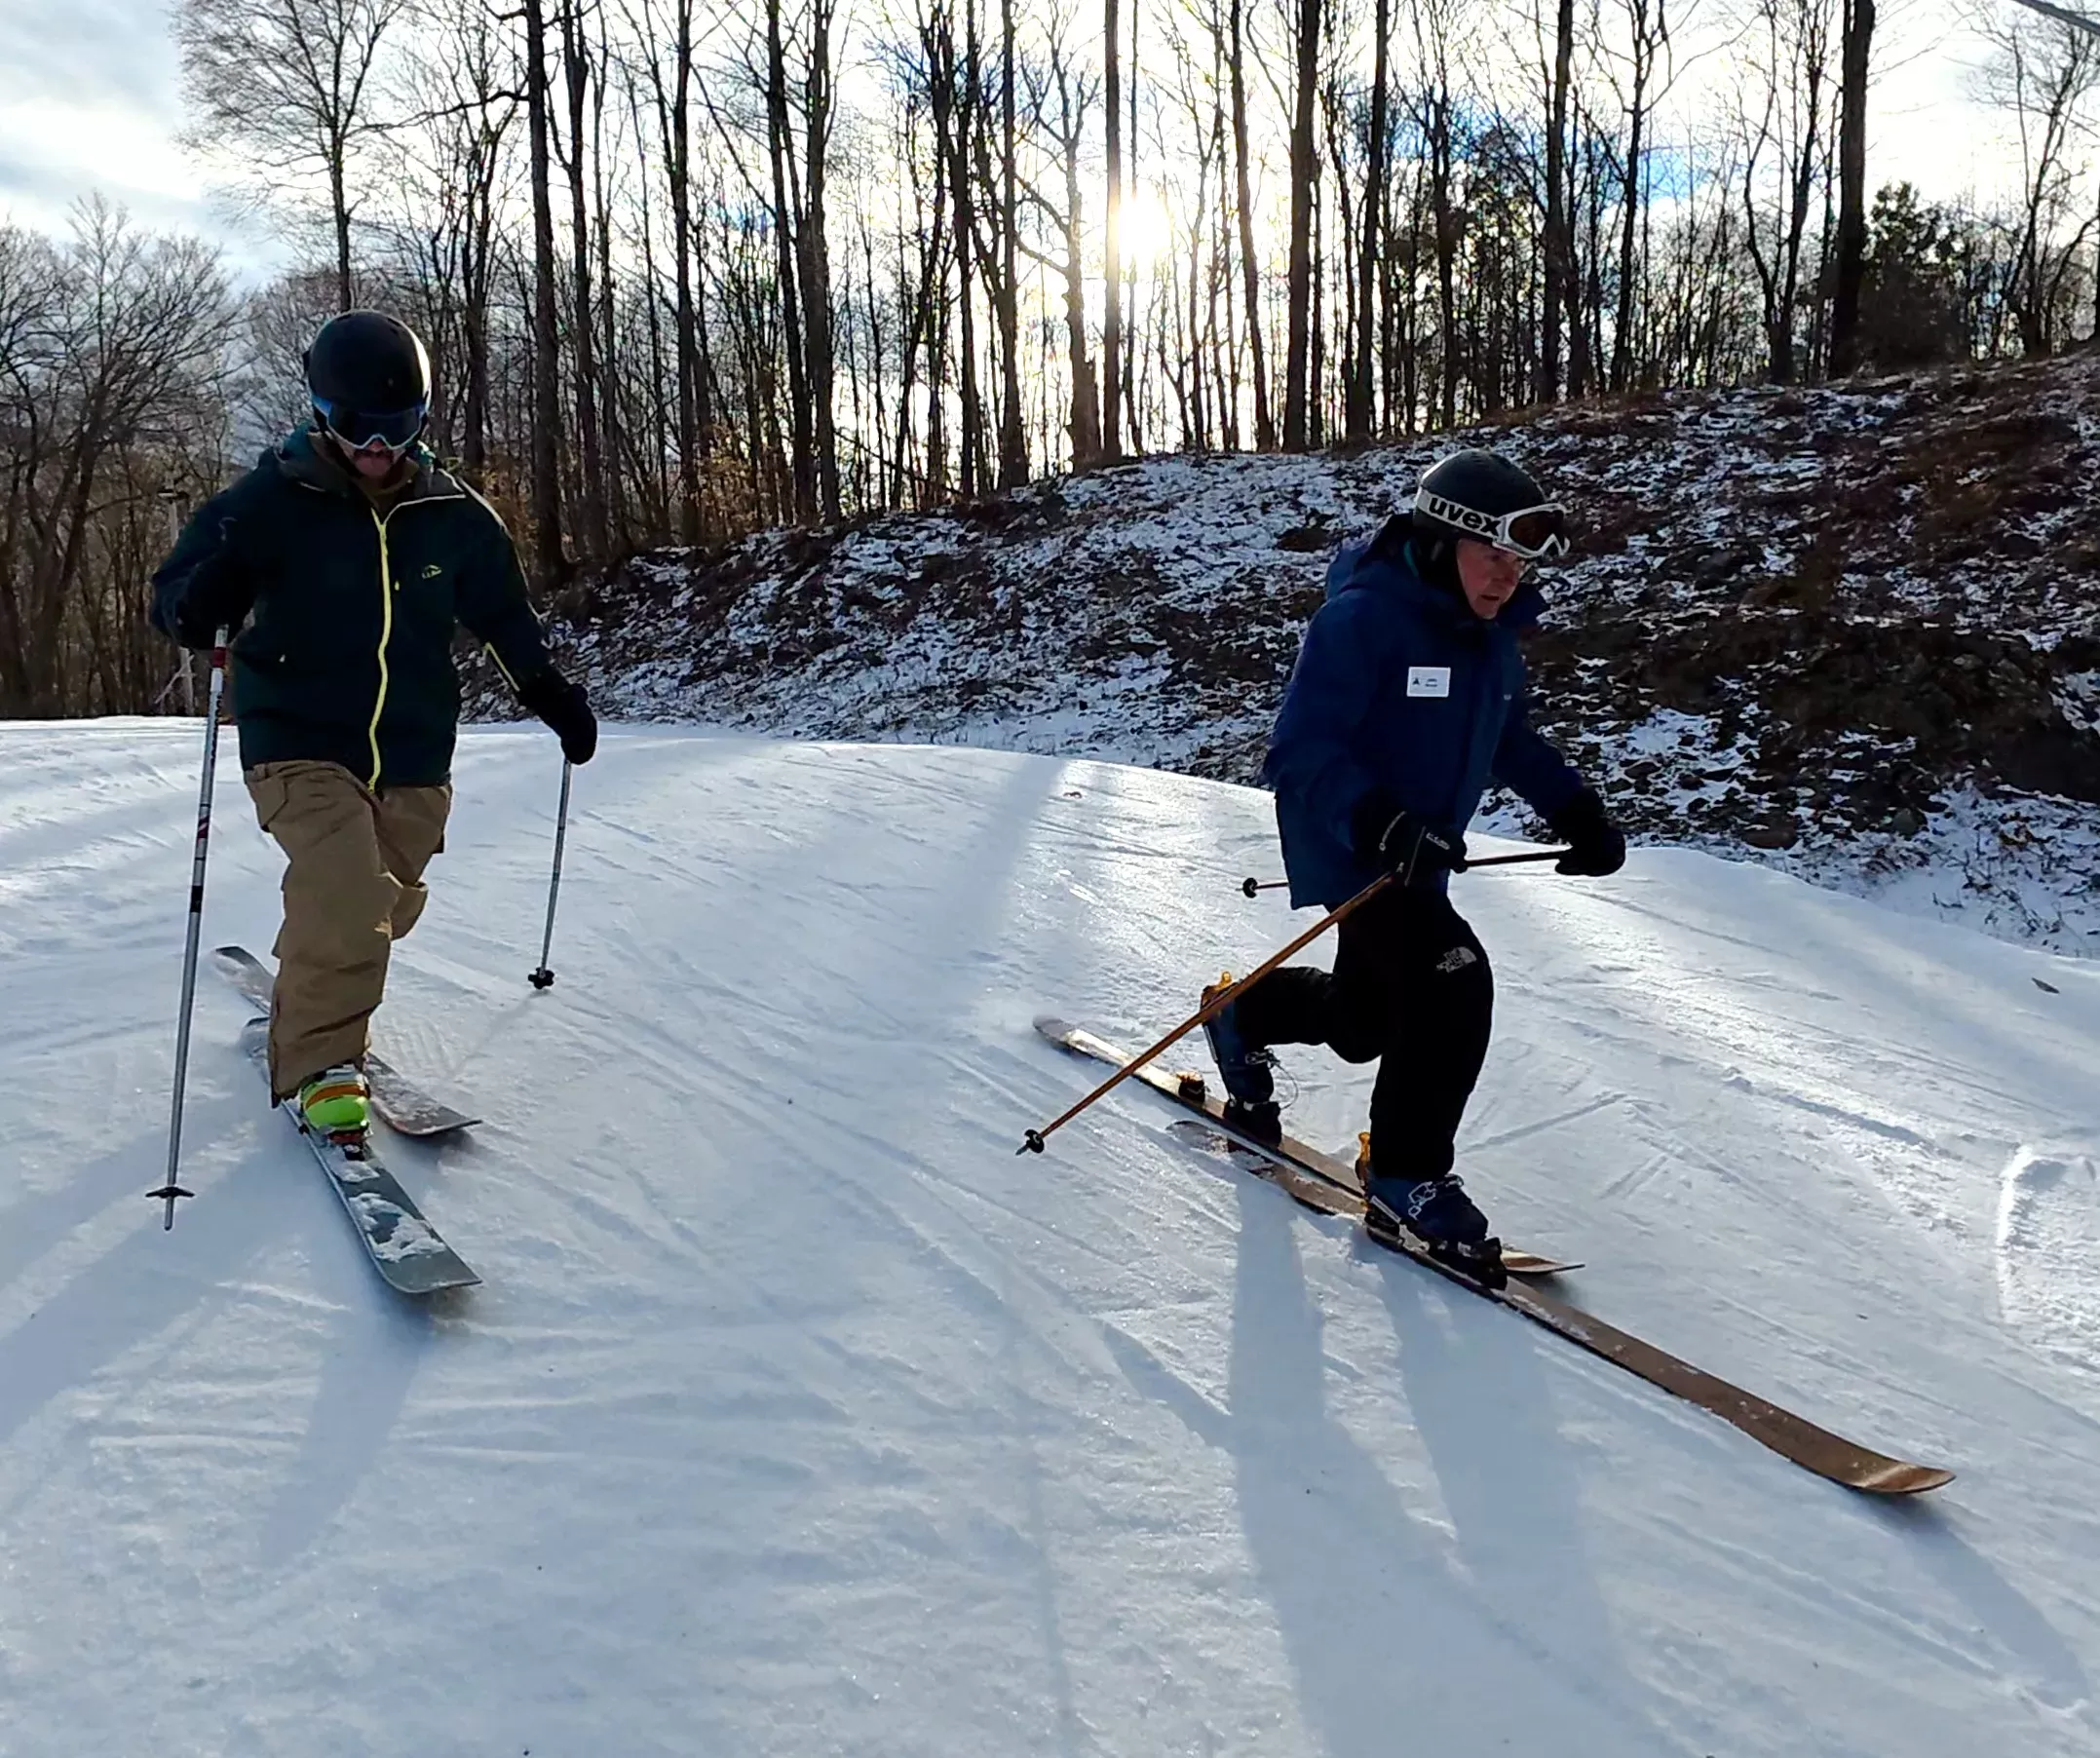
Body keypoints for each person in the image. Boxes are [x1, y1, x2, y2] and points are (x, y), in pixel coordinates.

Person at [151, 309, 598, 1141]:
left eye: (399, 428)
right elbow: (175, 598)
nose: (379, 448)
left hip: (413, 747)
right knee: (351, 896)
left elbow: (504, 617)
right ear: (322, 414)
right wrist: (202, 600)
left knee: (384, 902)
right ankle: (323, 1064)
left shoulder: (453, 515)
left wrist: (550, 694)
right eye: (359, 428)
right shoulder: (268, 503)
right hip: (296, 737)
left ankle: (317, 973)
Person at [1202, 447, 1625, 1280]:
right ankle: (1406, 1173)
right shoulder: (1359, 622)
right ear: (1440, 541)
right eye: (1491, 554)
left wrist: (1576, 811)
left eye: (1520, 561)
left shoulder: (1490, 640)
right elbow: (1298, 751)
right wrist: (1381, 819)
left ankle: (1240, 1016)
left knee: (1366, 1024)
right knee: (1450, 979)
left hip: (1416, 855)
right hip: (1352, 845)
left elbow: (1507, 741)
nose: (1507, 576)